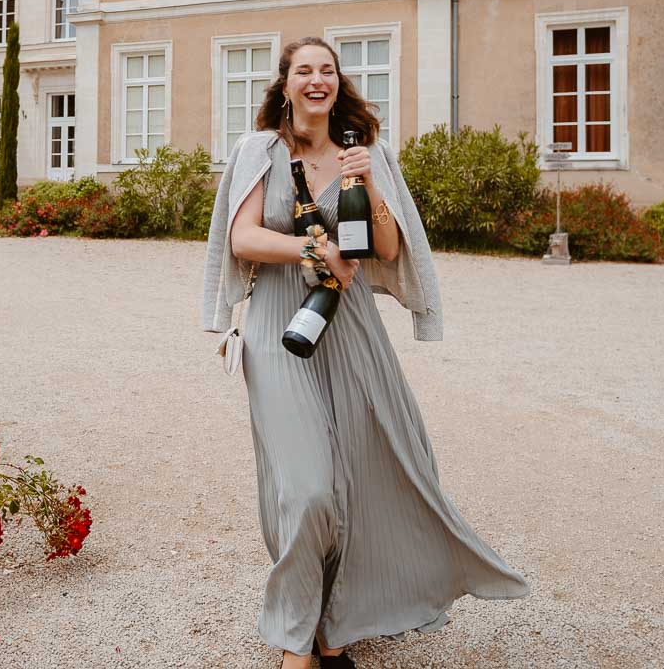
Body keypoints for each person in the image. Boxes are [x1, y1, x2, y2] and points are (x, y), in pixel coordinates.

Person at [202, 37, 530, 668]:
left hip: (350, 325)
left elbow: (383, 248)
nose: (317, 80)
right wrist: (309, 252)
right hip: (280, 325)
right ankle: (295, 634)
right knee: (307, 490)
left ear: (337, 82)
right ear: (286, 83)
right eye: (305, 71)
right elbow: (242, 238)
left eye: (327, 70)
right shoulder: (258, 152)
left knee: (361, 477)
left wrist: (368, 183)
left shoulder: (365, 153)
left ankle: (336, 627)